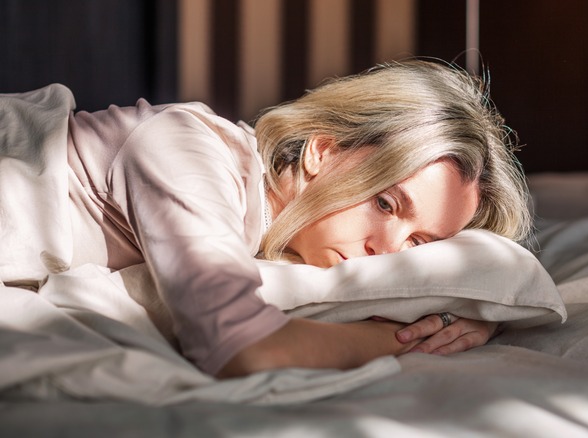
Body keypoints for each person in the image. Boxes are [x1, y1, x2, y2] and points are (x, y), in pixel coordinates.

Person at [0, 60, 532, 378]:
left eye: (419, 244)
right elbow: (243, 350)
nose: (388, 252)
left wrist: (464, 310)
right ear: (322, 151)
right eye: (386, 203)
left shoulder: (266, 234)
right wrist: (415, 336)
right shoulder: (187, 150)